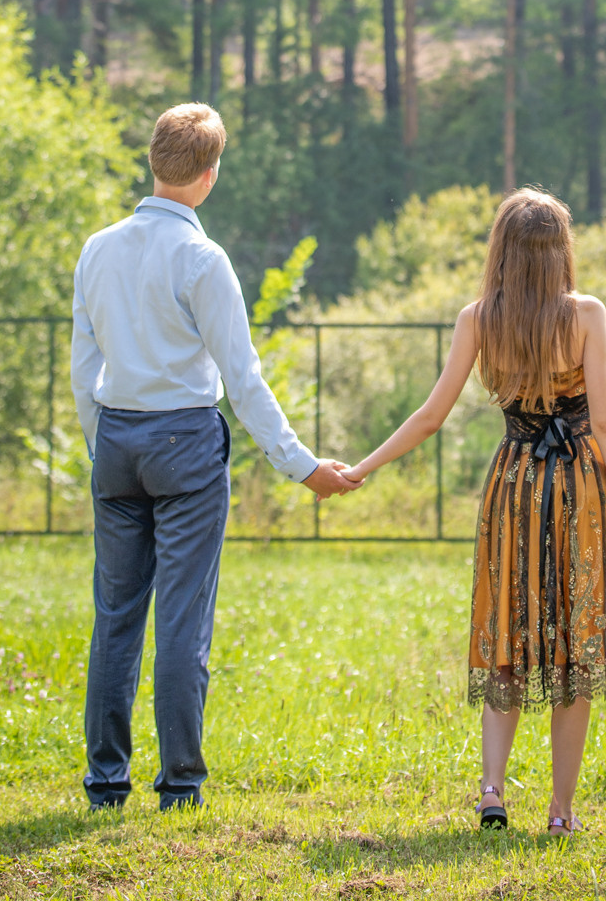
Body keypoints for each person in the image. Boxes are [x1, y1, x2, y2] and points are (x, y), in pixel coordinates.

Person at [71, 102, 361, 812]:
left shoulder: (96, 248)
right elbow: (243, 377)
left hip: (115, 437)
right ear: (210, 174)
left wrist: (100, 446)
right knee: (181, 619)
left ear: (153, 161)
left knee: (115, 616)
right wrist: (300, 465)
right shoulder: (202, 259)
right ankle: (180, 786)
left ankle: (106, 782)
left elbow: (85, 368)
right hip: (185, 445)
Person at [346, 188, 606, 834]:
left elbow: (430, 416)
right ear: (561, 250)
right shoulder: (587, 314)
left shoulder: (479, 317)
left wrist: (362, 467)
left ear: (502, 249)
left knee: (507, 632)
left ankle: (492, 790)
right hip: (581, 488)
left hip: (514, 484)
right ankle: (561, 812)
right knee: (576, 646)